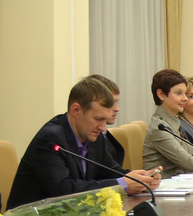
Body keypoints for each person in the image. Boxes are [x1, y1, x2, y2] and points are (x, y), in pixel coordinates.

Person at [8, 78, 161, 208]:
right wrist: (123, 184)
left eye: (105, 120)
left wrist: (139, 179)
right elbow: (63, 190)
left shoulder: (94, 136)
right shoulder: (50, 139)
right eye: (98, 119)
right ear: (76, 110)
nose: (103, 128)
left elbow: (110, 171)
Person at [143, 69, 193, 173]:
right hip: (163, 182)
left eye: (184, 93)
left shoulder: (172, 122)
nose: (185, 98)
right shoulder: (159, 128)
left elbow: (192, 150)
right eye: (179, 93)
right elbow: (190, 163)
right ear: (161, 94)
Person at [87, 74, 126, 168]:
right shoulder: (87, 136)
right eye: (111, 103)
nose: (117, 109)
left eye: (117, 102)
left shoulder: (102, 134)